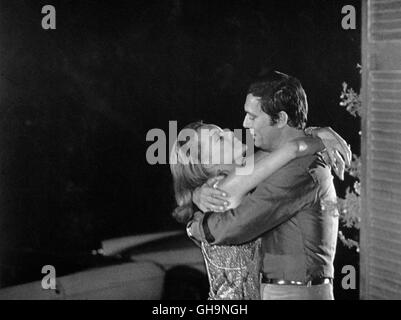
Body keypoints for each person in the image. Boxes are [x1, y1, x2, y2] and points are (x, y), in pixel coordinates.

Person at [188, 71, 351, 300]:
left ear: (281, 119)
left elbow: (228, 227)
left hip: (295, 293)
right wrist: (313, 135)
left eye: (252, 117)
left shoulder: (299, 168)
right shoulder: (275, 159)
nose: (243, 125)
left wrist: (192, 225)